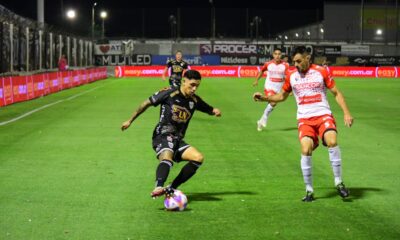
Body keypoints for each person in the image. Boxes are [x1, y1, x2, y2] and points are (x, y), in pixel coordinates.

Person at [253, 46, 354, 202]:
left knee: (332, 141)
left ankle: (339, 182)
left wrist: (347, 113)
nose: (296, 65)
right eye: (294, 62)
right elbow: (281, 96)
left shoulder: (321, 71)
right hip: (305, 119)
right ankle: (309, 190)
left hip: (323, 115)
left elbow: (336, 93)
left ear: (308, 58)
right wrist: (264, 98)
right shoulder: (291, 75)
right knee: (306, 150)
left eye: (299, 61)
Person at [122, 70, 221, 198]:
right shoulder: (169, 93)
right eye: (192, 85)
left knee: (198, 158)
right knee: (167, 156)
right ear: (183, 81)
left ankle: (171, 188)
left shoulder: (194, 100)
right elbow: (146, 103)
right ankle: (158, 186)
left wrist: (214, 111)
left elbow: (208, 108)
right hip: (162, 134)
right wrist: (130, 120)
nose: (194, 88)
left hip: (177, 139)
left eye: (197, 86)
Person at [253, 48, 289, 131]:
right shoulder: (268, 64)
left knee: (273, 104)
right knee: (273, 102)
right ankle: (264, 118)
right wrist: (256, 80)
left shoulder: (285, 65)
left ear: (281, 55)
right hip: (269, 86)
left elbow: (287, 77)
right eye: (275, 54)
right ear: (273, 55)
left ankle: (260, 121)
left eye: (279, 54)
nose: (277, 56)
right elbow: (261, 71)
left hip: (279, 87)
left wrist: (289, 89)